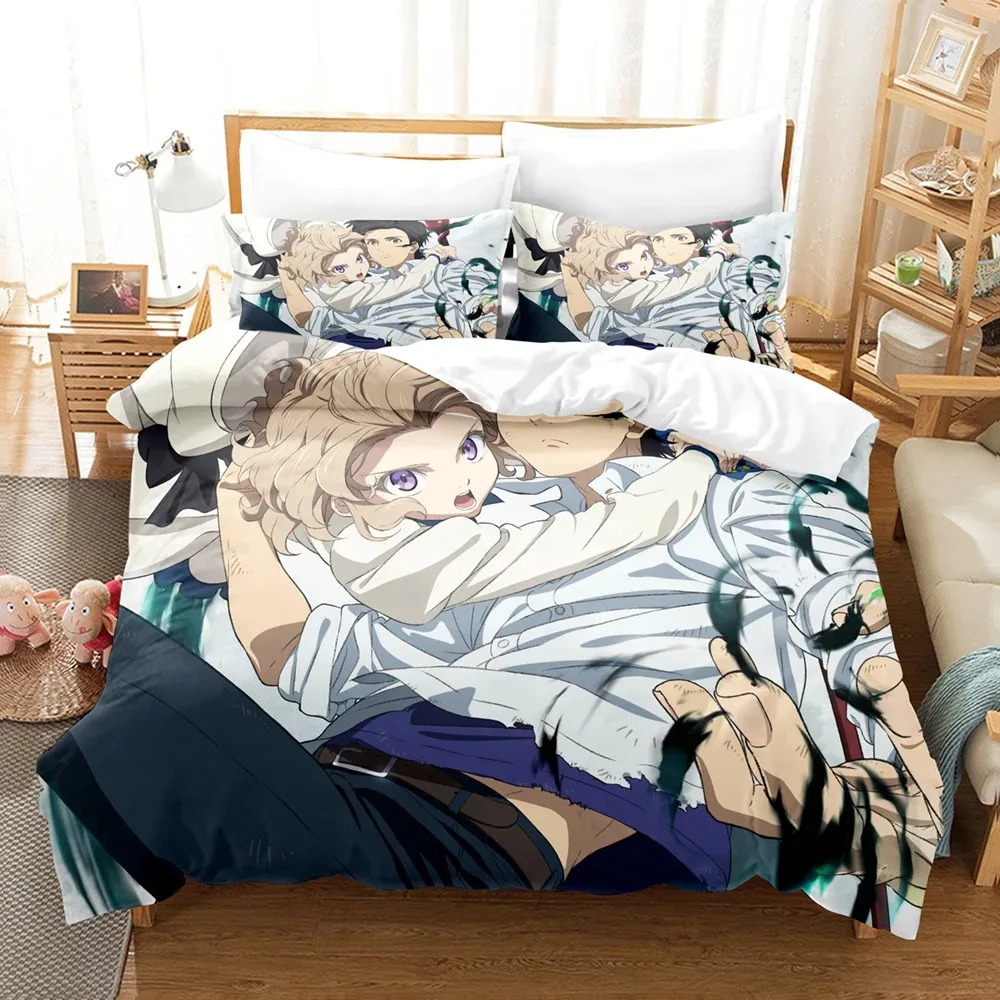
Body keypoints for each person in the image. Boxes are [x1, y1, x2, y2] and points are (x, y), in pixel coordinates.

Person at [215, 348, 940, 922]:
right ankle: (804, 808)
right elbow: (298, 653)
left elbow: (787, 538)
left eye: (470, 447)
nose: (462, 483)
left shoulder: (697, 493)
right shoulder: (419, 561)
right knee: (566, 742)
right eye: (406, 480)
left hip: (667, 699)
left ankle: (809, 806)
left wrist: (835, 606)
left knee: (654, 725)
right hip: (523, 733)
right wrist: (240, 520)